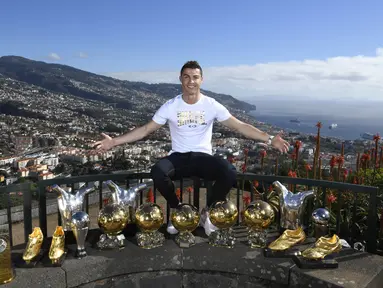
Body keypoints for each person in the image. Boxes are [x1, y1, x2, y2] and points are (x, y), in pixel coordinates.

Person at [92, 60, 289, 236]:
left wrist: (270, 138)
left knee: (228, 171)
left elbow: (240, 126)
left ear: (202, 80)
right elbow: (145, 130)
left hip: (203, 157)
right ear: (181, 79)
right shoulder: (171, 106)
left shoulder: (211, 105)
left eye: (195, 77)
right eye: (187, 77)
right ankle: (178, 212)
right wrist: (113, 142)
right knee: (158, 171)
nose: (191, 81)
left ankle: (208, 213)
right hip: (179, 157)